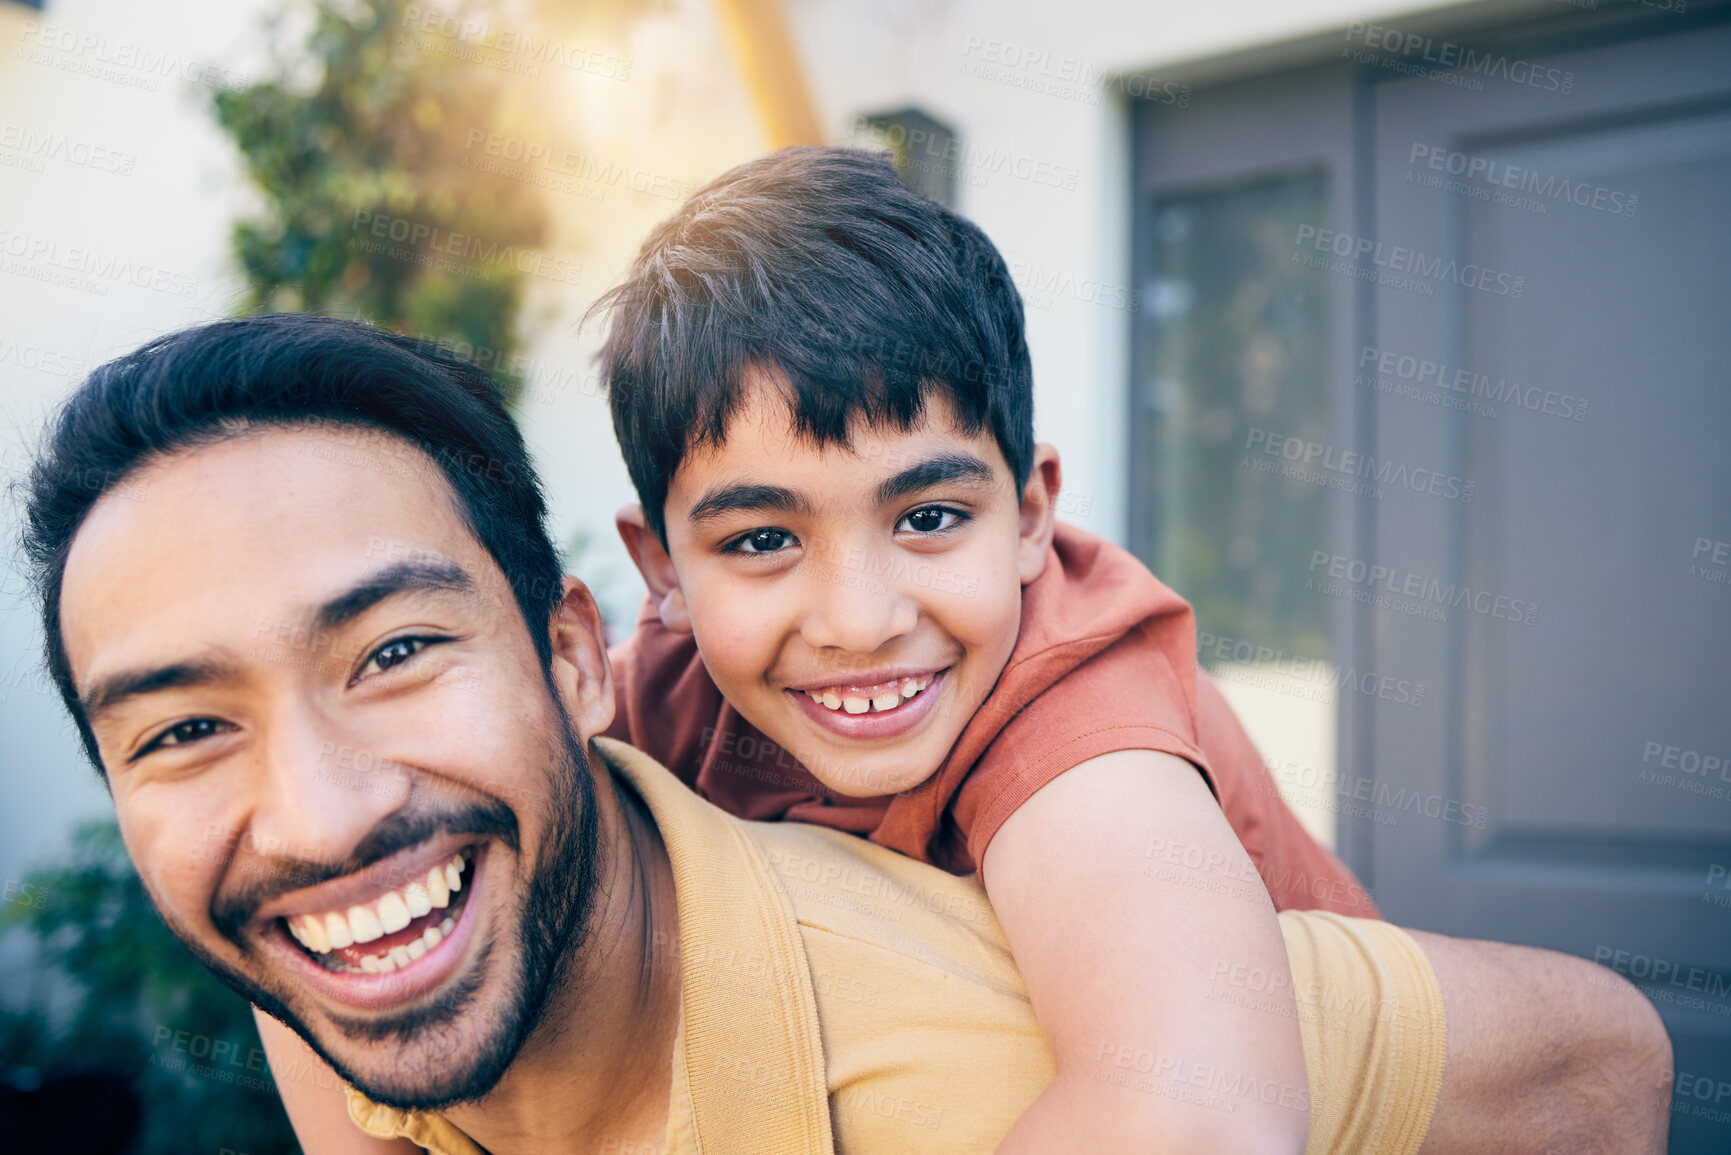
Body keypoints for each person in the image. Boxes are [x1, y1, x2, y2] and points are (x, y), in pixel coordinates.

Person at [20, 314, 1670, 1153]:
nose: (310, 814)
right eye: (180, 730)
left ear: (572, 659)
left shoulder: (1013, 1026)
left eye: (390, 650)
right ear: (655, 586)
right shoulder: (367, 952)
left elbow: (1600, 1055)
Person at [591, 145, 1368, 1149]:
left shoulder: (1073, 703)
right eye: (763, 540)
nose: (861, 622)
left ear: (1032, 514)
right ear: (662, 571)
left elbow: (1196, 1112)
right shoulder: (654, 700)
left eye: (928, 518)